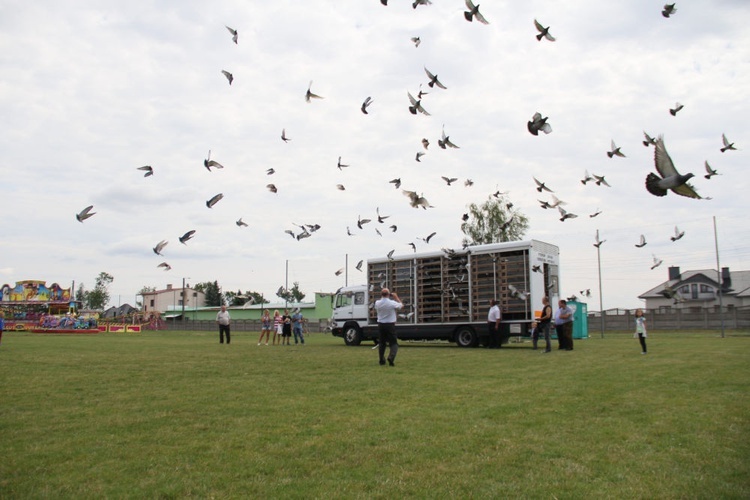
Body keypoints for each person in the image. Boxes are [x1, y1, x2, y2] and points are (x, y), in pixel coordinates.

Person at [374, 288, 403, 366]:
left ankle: (381, 360)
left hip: (381, 325)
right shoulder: (392, 303)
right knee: (394, 343)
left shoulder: (377, 303)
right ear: (389, 294)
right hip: (390, 325)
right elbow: (401, 306)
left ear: (381, 294)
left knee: (382, 343)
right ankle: (391, 357)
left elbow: (380, 303)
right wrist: (396, 297)